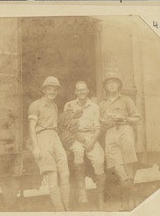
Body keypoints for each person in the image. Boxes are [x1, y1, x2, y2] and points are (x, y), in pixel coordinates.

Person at [99, 70, 141, 210]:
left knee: (128, 163)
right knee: (117, 165)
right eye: (108, 83)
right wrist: (104, 121)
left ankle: (127, 202)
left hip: (125, 129)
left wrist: (123, 118)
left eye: (114, 82)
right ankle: (130, 191)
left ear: (118, 85)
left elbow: (137, 119)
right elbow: (99, 122)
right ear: (105, 86)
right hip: (110, 133)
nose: (111, 85)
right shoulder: (102, 104)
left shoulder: (126, 100)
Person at [28, 76, 70, 211]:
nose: (52, 92)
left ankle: (67, 208)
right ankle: (60, 210)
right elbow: (31, 128)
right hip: (42, 136)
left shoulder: (54, 105)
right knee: (52, 176)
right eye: (49, 89)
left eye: (55, 89)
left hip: (54, 137)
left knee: (65, 173)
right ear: (44, 90)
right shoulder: (35, 105)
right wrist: (35, 147)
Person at [64, 81, 105, 209]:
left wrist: (92, 142)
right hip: (75, 136)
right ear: (76, 92)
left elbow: (98, 127)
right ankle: (82, 194)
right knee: (78, 152)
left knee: (98, 160)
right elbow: (67, 125)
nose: (81, 92)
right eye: (79, 90)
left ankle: (101, 197)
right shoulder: (69, 105)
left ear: (87, 91)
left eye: (84, 90)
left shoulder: (94, 107)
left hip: (91, 137)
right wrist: (77, 136)